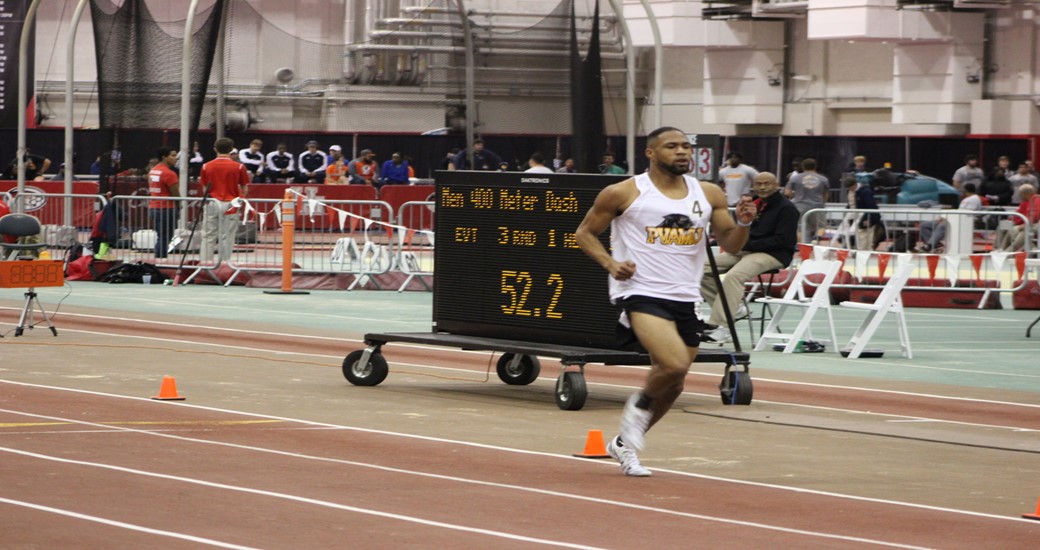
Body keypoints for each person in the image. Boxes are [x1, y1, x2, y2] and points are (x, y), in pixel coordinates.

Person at [574, 127, 757, 477]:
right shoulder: (624, 191)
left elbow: (731, 244)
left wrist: (745, 223)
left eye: (686, 146)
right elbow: (584, 233)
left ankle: (625, 444)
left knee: (675, 382)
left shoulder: (708, 193)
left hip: (684, 296)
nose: (682, 152)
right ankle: (637, 407)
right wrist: (611, 263)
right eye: (672, 146)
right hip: (640, 290)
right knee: (672, 365)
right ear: (651, 153)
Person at [700, 171, 799, 342]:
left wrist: (746, 245)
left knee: (735, 275)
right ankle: (735, 309)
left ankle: (721, 326)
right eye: (758, 184)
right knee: (699, 269)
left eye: (766, 183)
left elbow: (784, 240)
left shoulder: (787, 209)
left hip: (773, 254)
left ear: (776, 185)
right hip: (746, 251)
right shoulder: (753, 204)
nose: (762, 187)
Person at [199, 137, 250, 262]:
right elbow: (244, 188)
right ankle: (225, 264)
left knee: (208, 235)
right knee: (227, 235)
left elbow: (204, 188)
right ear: (232, 150)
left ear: (215, 149)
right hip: (231, 204)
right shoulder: (239, 167)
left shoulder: (206, 166)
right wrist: (240, 200)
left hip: (212, 202)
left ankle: (205, 262)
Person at [917, 183, 982, 253]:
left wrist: (947, 220)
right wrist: (944, 218)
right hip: (954, 219)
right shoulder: (966, 199)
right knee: (925, 225)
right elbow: (958, 211)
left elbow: (967, 213)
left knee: (942, 226)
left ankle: (929, 245)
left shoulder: (974, 199)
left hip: (964, 222)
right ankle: (936, 245)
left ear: (965, 190)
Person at [785, 158, 829, 242]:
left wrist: (795, 195)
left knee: (799, 228)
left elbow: (787, 193)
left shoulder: (795, 178)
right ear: (816, 166)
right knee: (820, 227)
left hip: (799, 206)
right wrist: (823, 204)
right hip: (817, 206)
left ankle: (801, 248)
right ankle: (816, 240)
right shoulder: (823, 179)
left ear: (802, 166)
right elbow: (825, 194)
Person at [147, 146, 180, 259]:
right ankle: (160, 260)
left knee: (161, 236)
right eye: (173, 155)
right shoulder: (169, 174)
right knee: (165, 237)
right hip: (166, 208)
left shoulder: (153, 170)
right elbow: (176, 194)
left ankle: (159, 258)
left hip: (154, 207)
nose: (176, 158)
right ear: (164, 157)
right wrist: (179, 206)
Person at [845, 175, 884, 250]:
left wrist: (868, 219)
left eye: (850, 187)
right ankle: (862, 252)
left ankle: (863, 253)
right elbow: (851, 204)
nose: (849, 189)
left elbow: (871, 206)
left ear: (854, 184)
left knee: (866, 237)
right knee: (862, 236)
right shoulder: (853, 192)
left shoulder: (866, 192)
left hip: (867, 218)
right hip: (858, 218)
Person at [997, 184, 1040, 251]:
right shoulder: (1026, 202)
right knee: (1002, 226)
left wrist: (1018, 223)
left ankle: (1003, 249)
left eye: (1020, 194)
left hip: (1025, 223)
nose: (1020, 196)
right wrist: (1010, 220)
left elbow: (1033, 216)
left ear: (1024, 194)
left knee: (1010, 229)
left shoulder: (1035, 200)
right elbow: (1018, 214)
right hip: (1021, 222)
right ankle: (999, 248)